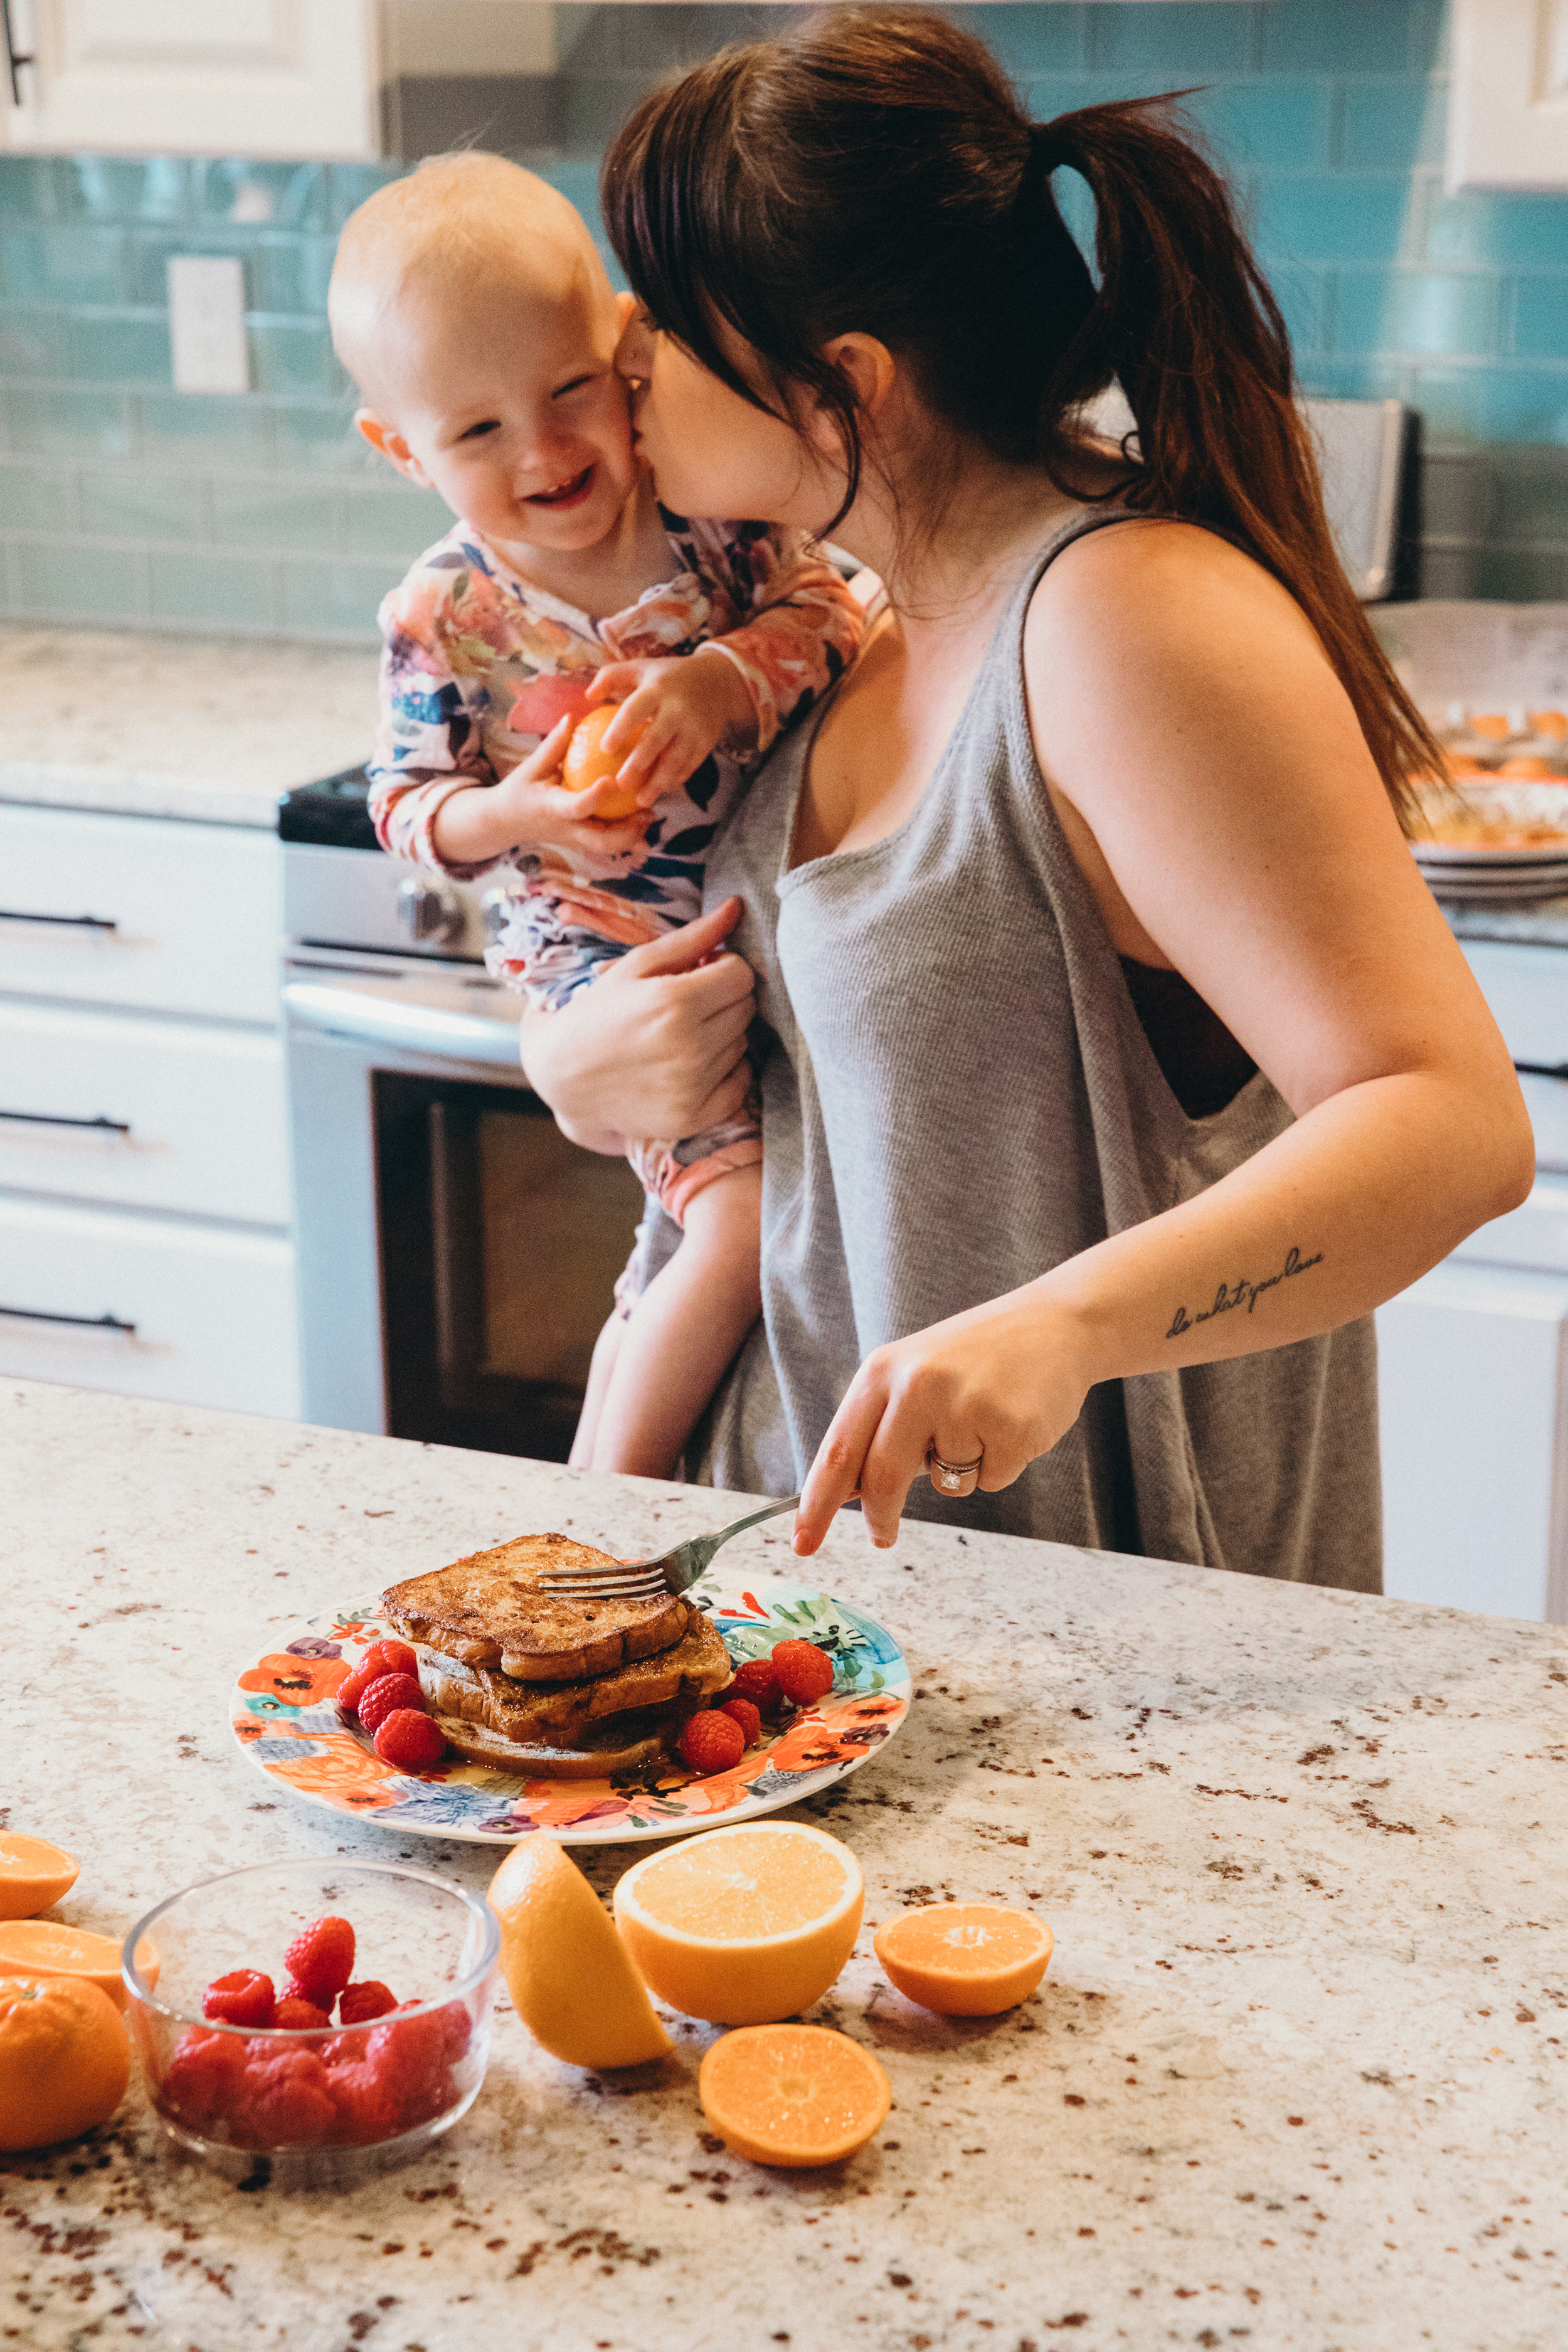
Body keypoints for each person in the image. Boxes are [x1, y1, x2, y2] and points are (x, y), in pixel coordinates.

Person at [520, 8, 1533, 1581]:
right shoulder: (843, 625)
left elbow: (1447, 1127)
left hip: (1096, 1657)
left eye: (664, 321)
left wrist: (1069, 1324)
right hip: (782, 1608)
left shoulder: (1123, 626)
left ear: (837, 384)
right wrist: (588, 1065)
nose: (621, 364)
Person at [328, 153, 865, 1476]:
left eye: (567, 390)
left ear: (624, 348)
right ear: (399, 448)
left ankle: (587, 1484)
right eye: (476, 431)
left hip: (747, 935)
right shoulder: (439, 615)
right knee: (737, 1224)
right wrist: (516, 814)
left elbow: (836, 611)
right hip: (592, 948)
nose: (545, 450)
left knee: (686, 1232)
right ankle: (610, 1516)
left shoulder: (714, 524)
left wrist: (715, 680)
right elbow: (401, 805)